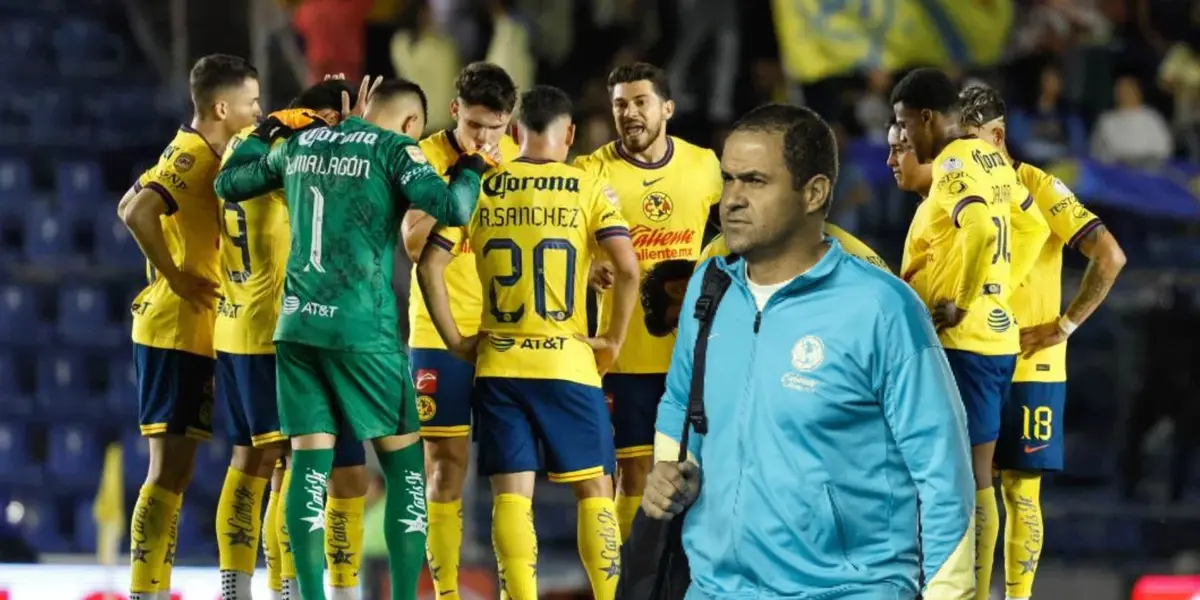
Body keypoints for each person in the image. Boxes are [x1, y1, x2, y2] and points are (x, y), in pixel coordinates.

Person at [643, 103, 976, 599]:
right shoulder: (707, 293)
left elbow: (944, 473)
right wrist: (669, 474)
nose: (730, 200)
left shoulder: (881, 308)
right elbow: (678, 403)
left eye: (754, 181)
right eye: (728, 179)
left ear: (814, 193)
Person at [214, 78, 490, 600]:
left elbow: (228, 183)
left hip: (296, 329)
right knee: (407, 470)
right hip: (364, 333)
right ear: (413, 124)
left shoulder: (297, 143)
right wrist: (472, 166)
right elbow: (452, 209)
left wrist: (269, 127)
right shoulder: (395, 148)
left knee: (308, 469)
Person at [416, 85, 639, 600]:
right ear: (571, 134)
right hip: (568, 363)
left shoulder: (483, 184)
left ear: (515, 132)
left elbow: (430, 263)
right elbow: (627, 268)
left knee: (511, 498)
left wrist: (454, 339)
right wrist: (610, 340)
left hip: (500, 364)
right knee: (595, 494)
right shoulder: (587, 186)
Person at [213, 77, 382, 600]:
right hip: (284, 329)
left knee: (254, 464)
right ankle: (291, 590)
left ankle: (241, 589)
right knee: (297, 469)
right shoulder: (304, 151)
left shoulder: (245, 143)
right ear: (330, 120)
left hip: (235, 324)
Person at [959, 85, 1126, 600]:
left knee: (1020, 490)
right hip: (976, 356)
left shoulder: (1040, 187)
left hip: (1033, 363)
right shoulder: (963, 192)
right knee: (975, 487)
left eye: (975, 142)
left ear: (999, 135)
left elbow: (1110, 256)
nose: (967, 155)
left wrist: (1065, 326)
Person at [116, 53, 261, 600]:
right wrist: (174, 276)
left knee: (175, 472)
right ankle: (145, 590)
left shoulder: (199, 151)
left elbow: (126, 199)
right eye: (250, 103)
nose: (258, 112)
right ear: (222, 107)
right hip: (176, 328)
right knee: (168, 472)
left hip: (194, 328)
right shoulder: (195, 154)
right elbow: (136, 213)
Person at [891, 67, 1031, 600]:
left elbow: (975, 227)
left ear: (927, 117)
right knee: (979, 474)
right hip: (996, 340)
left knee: (963, 476)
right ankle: (964, 586)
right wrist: (999, 287)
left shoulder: (951, 160)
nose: (906, 138)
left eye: (906, 126)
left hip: (964, 342)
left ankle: (961, 588)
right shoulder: (993, 159)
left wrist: (965, 301)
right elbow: (1033, 226)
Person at [573, 62, 723, 540]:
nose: (630, 113)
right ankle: (631, 580)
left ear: (667, 108)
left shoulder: (705, 165)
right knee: (634, 475)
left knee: (702, 471)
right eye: (620, 104)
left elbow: (736, 237)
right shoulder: (590, 170)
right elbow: (562, 241)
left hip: (694, 354)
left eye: (641, 102)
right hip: (623, 357)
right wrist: (584, 266)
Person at [398, 61, 519, 600]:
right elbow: (413, 243)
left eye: (495, 127)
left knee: (512, 469)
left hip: (505, 333)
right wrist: (464, 171)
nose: (485, 137)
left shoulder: (521, 159)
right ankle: (445, 592)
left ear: (510, 119)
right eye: (474, 125)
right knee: (444, 464)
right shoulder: (424, 156)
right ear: (454, 112)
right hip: (435, 332)